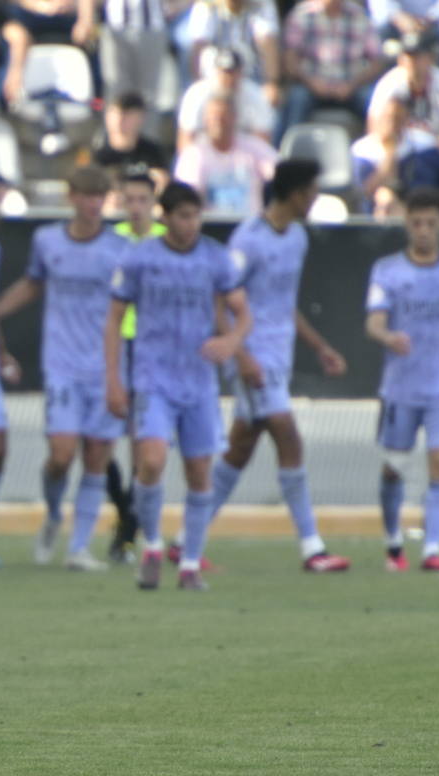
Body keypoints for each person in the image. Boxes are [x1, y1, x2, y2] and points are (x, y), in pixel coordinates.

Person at [204, 159, 353, 572]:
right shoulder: (248, 239)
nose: (315, 199)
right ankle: (312, 547)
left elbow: (284, 305)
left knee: (239, 450)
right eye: (311, 191)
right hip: (253, 357)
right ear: (293, 193)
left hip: (278, 356)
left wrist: (320, 346)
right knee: (288, 436)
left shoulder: (297, 239)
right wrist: (241, 355)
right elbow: (220, 301)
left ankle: (186, 540)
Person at [105, 180, 251, 590]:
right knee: (150, 461)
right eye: (182, 216)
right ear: (165, 217)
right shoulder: (140, 258)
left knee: (199, 472)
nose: (190, 224)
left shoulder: (216, 258)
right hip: (152, 376)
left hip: (199, 380)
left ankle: (189, 564)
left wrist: (231, 341)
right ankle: (151, 544)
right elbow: (114, 318)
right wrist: (113, 379)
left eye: (195, 215)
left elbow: (243, 313)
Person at [0, 167, 129, 569]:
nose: (94, 205)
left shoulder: (120, 247)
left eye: (100, 197)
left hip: (105, 366)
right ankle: (53, 514)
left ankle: (79, 549)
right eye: (88, 196)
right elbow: (33, 283)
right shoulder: (48, 241)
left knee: (98, 455)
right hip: (63, 365)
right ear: (72, 197)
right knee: (61, 455)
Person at [365, 187, 439, 571]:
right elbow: (374, 321)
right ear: (406, 224)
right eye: (416, 223)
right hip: (401, 385)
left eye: (431, 223)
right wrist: (387, 336)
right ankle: (393, 543)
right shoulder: (387, 270)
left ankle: (432, 550)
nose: (423, 231)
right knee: (394, 467)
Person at [104, 167, 166, 563]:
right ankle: (126, 518)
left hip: (153, 348)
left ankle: (128, 529)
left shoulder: (166, 242)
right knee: (103, 441)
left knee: (142, 445)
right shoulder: (111, 243)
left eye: (144, 199)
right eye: (131, 200)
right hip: (116, 345)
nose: (137, 207)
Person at [278, 0, 383, 143]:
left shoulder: (359, 15)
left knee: (374, 102)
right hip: (312, 86)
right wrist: (312, 82)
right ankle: (284, 154)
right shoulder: (302, 15)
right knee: (296, 98)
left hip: (351, 87)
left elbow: (376, 62)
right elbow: (290, 59)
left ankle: (375, 154)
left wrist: (352, 85)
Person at [351, 96, 439, 219]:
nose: (392, 124)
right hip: (383, 223)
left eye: (397, 119)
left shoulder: (425, 146)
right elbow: (367, 191)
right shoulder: (363, 151)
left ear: (406, 120)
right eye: (387, 118)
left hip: (426, 212)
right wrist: (391, 152)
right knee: (385, 197)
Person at [365, 29, 439, 158]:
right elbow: (375, 129)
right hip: (399, 153)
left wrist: (435, 153)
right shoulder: (389, 84)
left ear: (431, 58)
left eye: (417, 56)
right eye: (407, 55)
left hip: (437, 150)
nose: (411, 61)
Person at [173, 90, 277, 218]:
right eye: (214, 117)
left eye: (224, 116)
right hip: (209, 226)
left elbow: (279, 174)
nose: (219, 123)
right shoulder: (194, 154)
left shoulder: (254, 148)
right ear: (205, 120)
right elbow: (188, 195)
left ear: (235, 118)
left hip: (250, 226)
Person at [176, 47, 274, 151]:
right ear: (217, 71)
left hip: (243, 159)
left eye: (233, 72)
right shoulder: (197, 94)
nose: (229, 78)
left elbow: (263, 141)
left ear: (241, 73)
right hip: (205, 155)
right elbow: (186, 139)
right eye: (224, 72)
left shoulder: (255, 95)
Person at [186, 0, 281, 98]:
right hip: (214, 80)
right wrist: (197, 85)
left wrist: (271, 82)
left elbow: (268, 42)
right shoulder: (205, 5)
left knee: (270, 97)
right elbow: (198, 48)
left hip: (249, 80)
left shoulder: (261, 4)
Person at [94, 92, 170, 187]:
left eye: (127, 115)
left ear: (141, 117)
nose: (120, 120)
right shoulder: (95, 152)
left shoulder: (153, 152)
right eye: (115, 113)